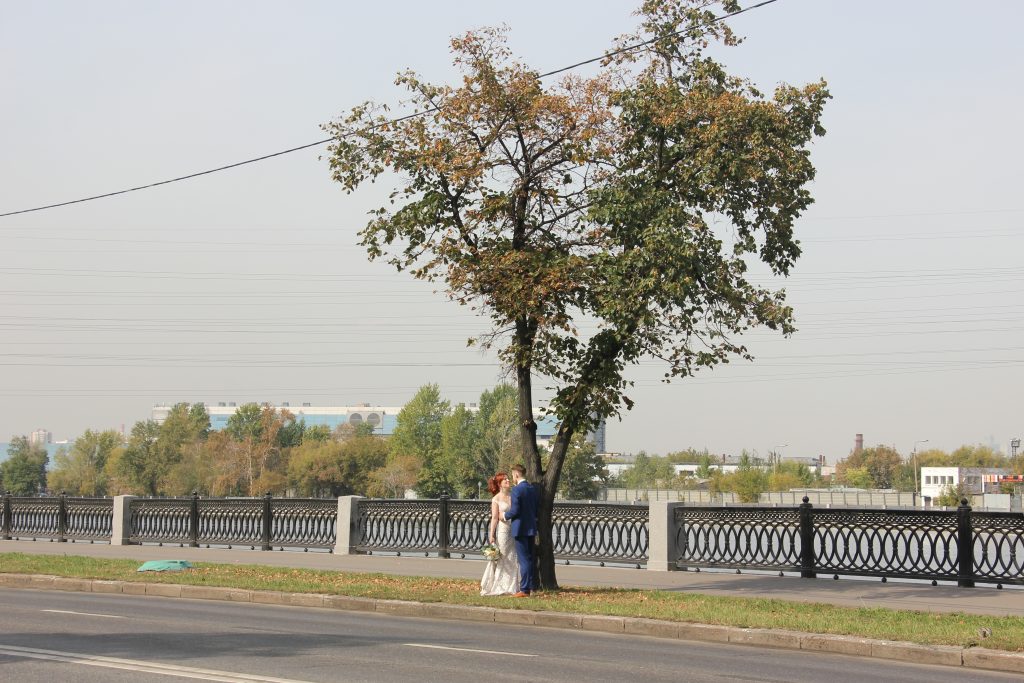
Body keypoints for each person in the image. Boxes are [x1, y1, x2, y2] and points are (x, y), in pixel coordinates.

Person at [479, 472, 521, 596]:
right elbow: (494, 518)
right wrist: (491, 535)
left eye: (508, 479)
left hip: (513, 531)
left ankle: (512, 586)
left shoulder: (513, 496)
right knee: (502, 557)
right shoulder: (496, 499)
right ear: (499, 484)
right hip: (503, 532)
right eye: (505, 480)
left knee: (513, 559)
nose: (508, 481)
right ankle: (498, 585)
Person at [504, 463, 539, 596]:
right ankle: (531, 587)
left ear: (517, 474)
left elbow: (515, 510)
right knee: (530, 559)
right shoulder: (532, 488)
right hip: (531, 528)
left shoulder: (517, 490)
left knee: (523, 560)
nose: (512, 478)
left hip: (520, 528)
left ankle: (524, 589)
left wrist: (504, 515)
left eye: (513, 475)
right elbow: (535, 509)